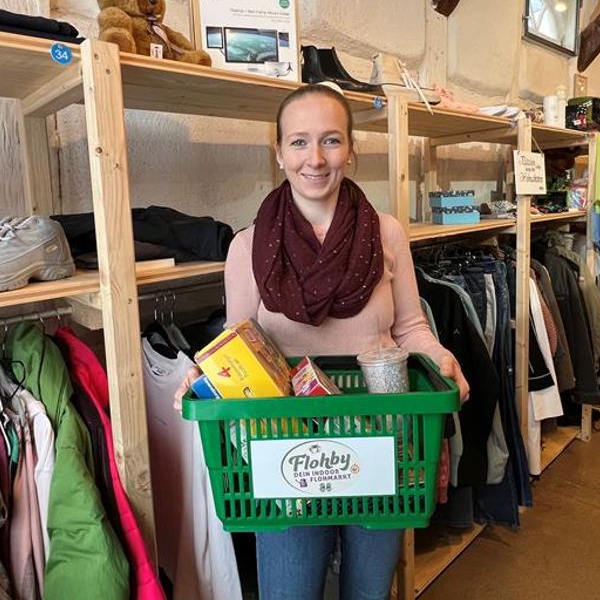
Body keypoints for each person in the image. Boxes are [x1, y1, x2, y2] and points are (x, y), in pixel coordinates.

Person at [175, 82, 470, 600]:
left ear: (351, 149)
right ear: (279, 152)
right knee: (290, 589)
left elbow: (410, 328)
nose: (315, 158)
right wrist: (202, 377)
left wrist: (444, 359)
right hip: (283, 442)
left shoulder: (386, 233)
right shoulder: (247, 247)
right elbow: (237, 345)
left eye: (331, 140)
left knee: (369, 592)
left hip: (381, 435)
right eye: (299, 142)